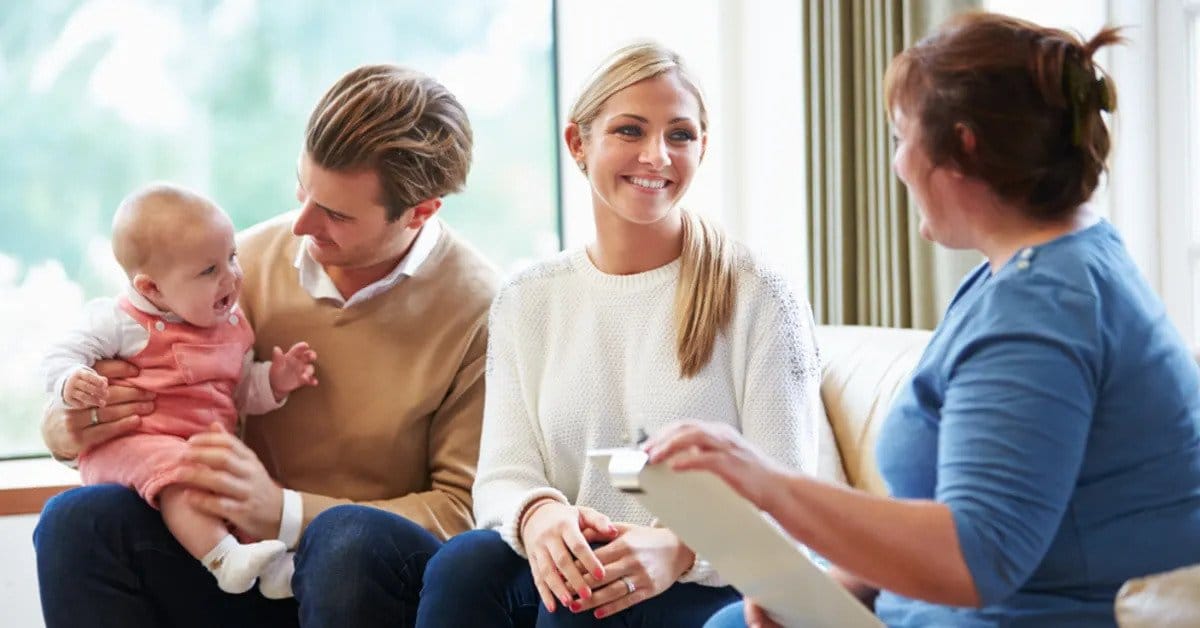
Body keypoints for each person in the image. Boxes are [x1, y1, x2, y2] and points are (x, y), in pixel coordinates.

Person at [643, 12, 1200, 628]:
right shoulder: (1044, 265)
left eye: (900, 137)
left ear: (962, 147)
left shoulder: (1039, 311)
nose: (898, 164)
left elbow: (976, 556)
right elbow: (971, 492)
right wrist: (842, 584)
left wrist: (765, 480)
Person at [34, 64, 498, 628]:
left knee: (345, 543)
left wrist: (286, 514)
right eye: (303, 188)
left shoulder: (481, 308)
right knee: (76, 519)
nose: (300, 224)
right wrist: (65, 429)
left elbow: (461, 509)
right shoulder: (232, 263)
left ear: (420, 211)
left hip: (365, 580)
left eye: (335, 213)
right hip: (231, 559)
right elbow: (124, 356)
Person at [416, 42, 844, 628]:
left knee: (581, 604)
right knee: (463, 565)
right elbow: (503, 474)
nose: (656, 156)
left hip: (724, 586)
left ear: (702, 147)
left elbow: (789, 506)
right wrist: (540, 515)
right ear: (577, 144)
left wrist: (679, 546)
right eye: (630, 130)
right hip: (595, 565)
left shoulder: (759, 294)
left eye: (680, 135)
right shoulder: (528, 298)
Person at [40, 184, 318, 598]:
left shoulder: (232, 325)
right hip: (133, 445)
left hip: (196, 445)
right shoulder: (119, 321)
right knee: (182, 474)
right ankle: (224, 559)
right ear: (151, 289)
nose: (232, 277)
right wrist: (70, 380)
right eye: (210, 271)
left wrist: (275, 381)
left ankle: (271, 566)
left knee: (232, 478)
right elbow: (60, 355)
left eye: (232, 258)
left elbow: (241, 392)